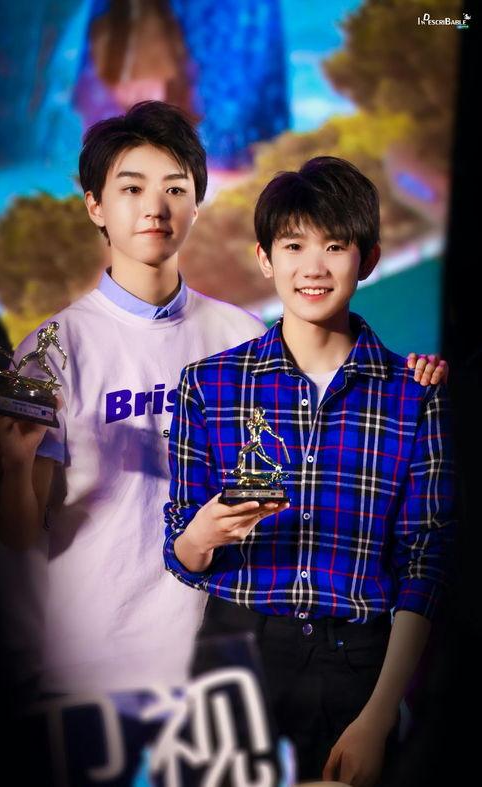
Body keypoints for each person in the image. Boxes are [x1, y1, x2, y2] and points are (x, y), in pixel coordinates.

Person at [163, 156, 456, 786]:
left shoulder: (414, 394)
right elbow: (180, 552)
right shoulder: (209, 385)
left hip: (357, 663)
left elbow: (425, 562)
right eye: (293, 246)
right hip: (235, 654)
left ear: (368, 259)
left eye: (335, 246)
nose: (313, 267)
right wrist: (201, 535)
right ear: (265, 259)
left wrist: (379, 715)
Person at [0, 100, 266, 698]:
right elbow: (19, 533)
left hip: (223, 660)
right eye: (132, 188)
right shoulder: (53, 350)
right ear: (96, 205)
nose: (154, 207)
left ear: (197, 203)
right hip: (96, 667)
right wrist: (14, 464)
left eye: (175, 188)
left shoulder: (245, 339)